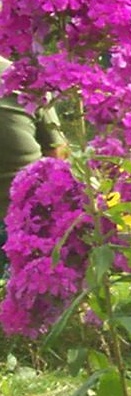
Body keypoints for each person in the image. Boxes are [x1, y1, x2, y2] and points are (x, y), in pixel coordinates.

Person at [0, 55, 66, 268]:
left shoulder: (23, 78)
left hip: (22, 220)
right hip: (25, 219)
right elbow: (57, 151)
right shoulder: (24, 77)